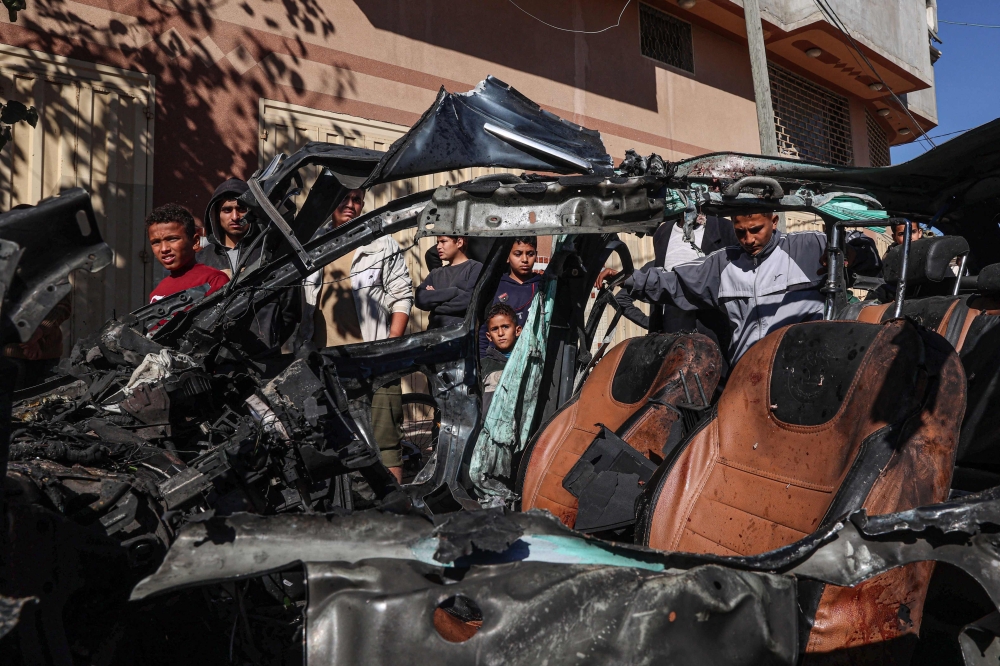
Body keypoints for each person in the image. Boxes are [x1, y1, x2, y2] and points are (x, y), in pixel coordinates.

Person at [624, 211, 881, 365]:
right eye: (740, 232)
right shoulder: (723, 263)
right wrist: (627, 278)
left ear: (774, 221)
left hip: (808, 369)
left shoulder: (810, 246)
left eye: (756, 230)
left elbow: (867, 253)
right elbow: (676, 281)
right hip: (748, 376)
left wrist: (851, 254)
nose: (748, 240)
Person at [303, 188, 412, 482]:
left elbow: (402, 295)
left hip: (374, 360)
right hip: (327, 364)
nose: (351, 205)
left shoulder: (380, 242)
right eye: (343, 197)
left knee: (386, 442)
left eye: (357, 199)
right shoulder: (313, 245)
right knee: (336, 443)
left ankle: (395, 507)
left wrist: (390, 346)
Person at [147, 203, 230, 303]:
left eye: (172, 239)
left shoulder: (213, 280)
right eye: (156, 242)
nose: (164, 249)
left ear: (195, 242)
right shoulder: (157, 293)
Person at [479, 236, 542, 355]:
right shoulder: (495, 287)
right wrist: (483, 359)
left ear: (536, 255)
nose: (525, 259)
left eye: (530, 254)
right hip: (497, 358)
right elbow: (483, 329)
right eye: (518, 254)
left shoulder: (543, 286)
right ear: (507, 256)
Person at [415, 236, 483, 329]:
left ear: (459, 242)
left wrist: (434, 300)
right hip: (433, 333)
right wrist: (455, 292)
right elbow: (420, 299)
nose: (438, 247)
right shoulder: (436, 273)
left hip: (459, 333)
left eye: (443, 241)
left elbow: (468, 301)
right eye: (438, 242)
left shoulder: (475, 268)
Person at [201, 178, 252, 275]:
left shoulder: (267, 252)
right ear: (216, 215)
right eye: (227, 210)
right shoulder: (201, 260)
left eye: (241, 209)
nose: (235, 217)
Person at [480, 303, 521, 414]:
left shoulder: (527, 361)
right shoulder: (484, 367)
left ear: (517, 331)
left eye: (505, 327)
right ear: (489, 336)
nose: (500, 333)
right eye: (495, 329)